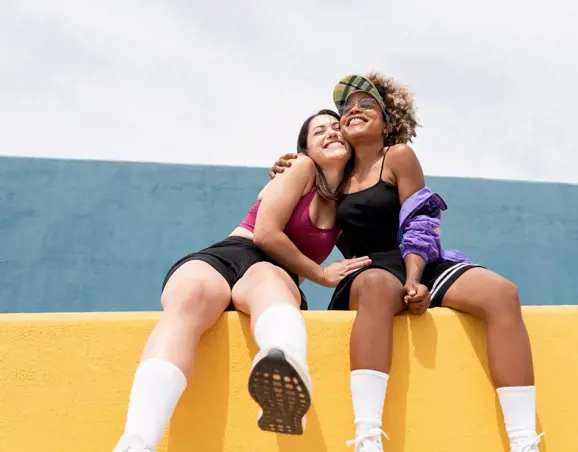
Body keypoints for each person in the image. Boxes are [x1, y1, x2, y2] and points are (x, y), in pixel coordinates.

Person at [269, 74, 543, 452]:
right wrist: (287, 163)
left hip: (419, 259)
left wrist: (415, 278)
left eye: (367, 104)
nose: (354, 111)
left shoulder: (397, 157)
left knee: (502, 293)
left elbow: (420, 221)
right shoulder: (330, 176)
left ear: (387, 120)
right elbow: (296, 199)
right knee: (381, 287)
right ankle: (367, 439)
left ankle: (524, 441)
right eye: (346, 108)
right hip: (368, 269)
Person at [114, 109, 372, 452]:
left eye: (336, 128)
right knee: (190, 296)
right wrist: (322, 274)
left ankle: (284, 381)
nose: (331, 133)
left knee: (272, 285)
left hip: (272, 271)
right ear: (306, 149)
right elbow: (265, 233)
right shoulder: (303, 168)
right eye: (318, 131)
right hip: (234, 251)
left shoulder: (351, 205)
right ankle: (136, 442)